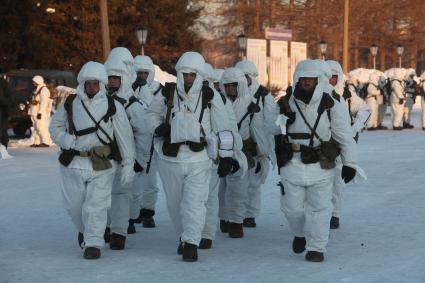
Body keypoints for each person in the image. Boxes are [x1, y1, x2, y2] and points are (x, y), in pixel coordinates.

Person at [146, 51, 235, 262]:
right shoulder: (166, 93)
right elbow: (150, 115)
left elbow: (223, 128)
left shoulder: (210, 96)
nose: (188, 79)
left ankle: (191, 243)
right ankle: (184, 237)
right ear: (179, 74)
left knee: (194, 203)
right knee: (175, 204)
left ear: (199, 75)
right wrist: (158, 127)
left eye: (192, 75)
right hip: (171, 158)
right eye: (185, 74)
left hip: (199, 157)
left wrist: (227, 156)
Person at [49, 61, 135, 259]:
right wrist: (69, 141)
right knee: (74, 206)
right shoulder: (70, 103)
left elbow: (124, 137)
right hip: (74, 162)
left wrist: (129, 164)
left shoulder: (113, 105)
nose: (92, 87)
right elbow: (55, 128)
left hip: (101, 160)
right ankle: (85, 230)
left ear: (102, 83)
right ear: (83, 83)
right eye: (88, 83)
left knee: (96, 204)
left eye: (96, 83)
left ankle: (94, 243)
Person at [275, 59, 358, 262]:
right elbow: (271, 131)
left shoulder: (332, 104)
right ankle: (300, 233)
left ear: (318, 80)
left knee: (320, 209)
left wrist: (350, 163)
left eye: (310, 79)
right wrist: (281, 122)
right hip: (292, 163)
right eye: (303, 78)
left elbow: (343, 135)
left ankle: (316, 248)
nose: (306, 82)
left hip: (321, 164)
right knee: (292, 209)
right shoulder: (286, 103)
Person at [200, 64, 246, 248]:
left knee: (215, 195)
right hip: (189, 155)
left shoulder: (220, 101)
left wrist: (232, 155)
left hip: (216, 155)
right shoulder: (182, 99)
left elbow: (229, 129)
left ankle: (209, 232)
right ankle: (193, 231)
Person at [326, 60, 370, 229]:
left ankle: (334, 214)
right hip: (320, 145)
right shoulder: (316, 95)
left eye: (333, 77)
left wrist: (354, 128)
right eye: (327, 77)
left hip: (339, 146)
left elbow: (365, 109)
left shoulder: (347, 95)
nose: (330, 81)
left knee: (337, 181)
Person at [235, 60, 276, 228]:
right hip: (239, 144)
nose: (244, 81)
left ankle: (250, 214)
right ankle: (235, 214)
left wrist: (266, 144)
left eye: (246, 77)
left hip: (258, 147)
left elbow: (272, 120)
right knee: (237, 182)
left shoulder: (264, 96)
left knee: (254, 183)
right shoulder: (234, 94)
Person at [129, 55, 163, 228]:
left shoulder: (159, 90)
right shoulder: (127, 90)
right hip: (133, 141)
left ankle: (148, 212)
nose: (141, 76)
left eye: (144, 73)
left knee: (150, 180)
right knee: (132, 180)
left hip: (152, 142)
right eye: (138, 73)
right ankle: (132, 214)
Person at [29, 75, 53, 147]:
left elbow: (44, 102)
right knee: (36, 128)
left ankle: (46, 142)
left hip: (39, 113)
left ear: (38, 82)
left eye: (34, 82)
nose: (33, 83)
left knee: (41, 127)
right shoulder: (37, 90)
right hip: (34, 112)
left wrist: (40, 112)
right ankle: (37, 142)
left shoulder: (44, 90)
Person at [0, 78, 14, 148]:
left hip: (3, 111)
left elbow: (10, 99)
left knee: (2, 130)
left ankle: (3, 148)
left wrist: (2, 100)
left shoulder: (4, 83)